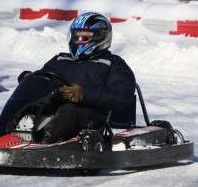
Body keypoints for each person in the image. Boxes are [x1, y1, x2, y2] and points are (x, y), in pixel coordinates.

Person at [18, 12, 136, 144]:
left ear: (100, 36)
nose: (78, 40)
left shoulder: (113, 64)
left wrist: (83, 94)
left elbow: (120, 97)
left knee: (68, 110)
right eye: (76, 36)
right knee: (23, 103)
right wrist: (31, 79)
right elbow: (45, 78)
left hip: (87, 118)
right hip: (50, 111)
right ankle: (3, 133)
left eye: (84, 37)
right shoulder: (60, 59)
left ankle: (41, 143)